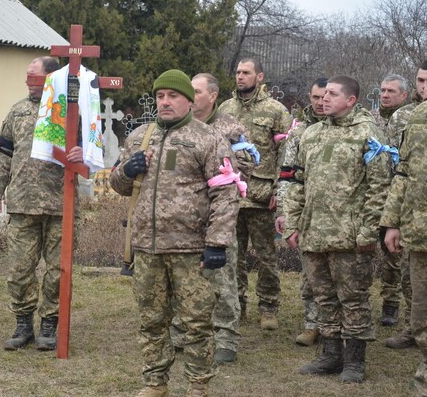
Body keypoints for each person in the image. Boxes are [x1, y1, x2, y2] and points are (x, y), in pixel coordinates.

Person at [110, 69, 240, 397]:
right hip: (148, 248)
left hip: (191, 249)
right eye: (160, 96)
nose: (165, 102)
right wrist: (127, 170)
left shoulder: (208, 138)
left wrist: (217, 243)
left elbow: (226, 192)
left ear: (189, 99)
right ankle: (155, 383)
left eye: (173, 96)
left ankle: (198, 386)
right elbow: (118, 185)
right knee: (151, 320)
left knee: (196, 322)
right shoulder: (140, 136)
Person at [284, 75, 390, 383]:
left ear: (351, 101)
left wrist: (368, 231)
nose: (324, 99)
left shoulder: (367, 133)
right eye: (323, 93)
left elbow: (379, 186)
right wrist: (293, 223)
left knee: (353, 299)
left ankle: (354, 360)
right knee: (324, 297)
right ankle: (331, 354)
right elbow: (298, 184)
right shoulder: (312, 133)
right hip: (314, 234)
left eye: (332, 94)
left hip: (350, 236)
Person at [0, 56, 83, 351]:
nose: (29, 82)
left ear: (51, 78)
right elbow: (2, 154)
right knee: (19, 269)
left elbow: (91, 147)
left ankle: (50, 324)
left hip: (58, 204)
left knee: (57, 270)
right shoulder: (17, 112)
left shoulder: (70, 110)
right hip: (22, 204)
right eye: (27, 77)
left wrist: (81, 153)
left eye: (34, 78)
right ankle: (23, 323)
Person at [170, 73, 254, 365]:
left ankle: (226, 337)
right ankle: (180, 330)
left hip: (218, 213)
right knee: (185, 278)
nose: (191, 97)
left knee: (222, 278)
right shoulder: (179, 124)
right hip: (185, 216)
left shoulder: (230, 127)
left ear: (213, 96)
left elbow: (246, 165)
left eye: (197, 91)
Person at [219, 58, 292, 330]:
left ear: (259, 77)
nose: (240, 77)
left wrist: (278, 188)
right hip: (230, 195)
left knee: (266, 256)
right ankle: (236, 304)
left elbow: (286, 153)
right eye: (237, 72)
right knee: (232, 255)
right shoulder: (225, 109)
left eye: (246, 72)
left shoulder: (275, 110)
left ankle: (268, 307)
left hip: (261, 195)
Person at [381, 57, 427, 397]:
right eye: (423, 81)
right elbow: (402, 172)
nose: (426, 87)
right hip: (421, 232)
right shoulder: (416, 118)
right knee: (422, 313)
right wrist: (391, 222)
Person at [275, 77, 327, 346]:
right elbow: (287, 175)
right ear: (309, 96)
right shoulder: (299, 134)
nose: (320, 102)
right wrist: (284, 211)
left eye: (325, 96)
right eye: (316, 97)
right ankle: (311, 323)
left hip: (337, 213)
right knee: (310, 273)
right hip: (305, 212)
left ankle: (335, 324)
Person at [376, 74, 409, 327]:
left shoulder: (410, 119)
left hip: (398, 197)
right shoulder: (371, 120)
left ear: (403, 95)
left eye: (391, 91)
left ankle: (392, 304)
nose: (385, 95)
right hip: (374, 195)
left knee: (394, 255)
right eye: (383, 90)